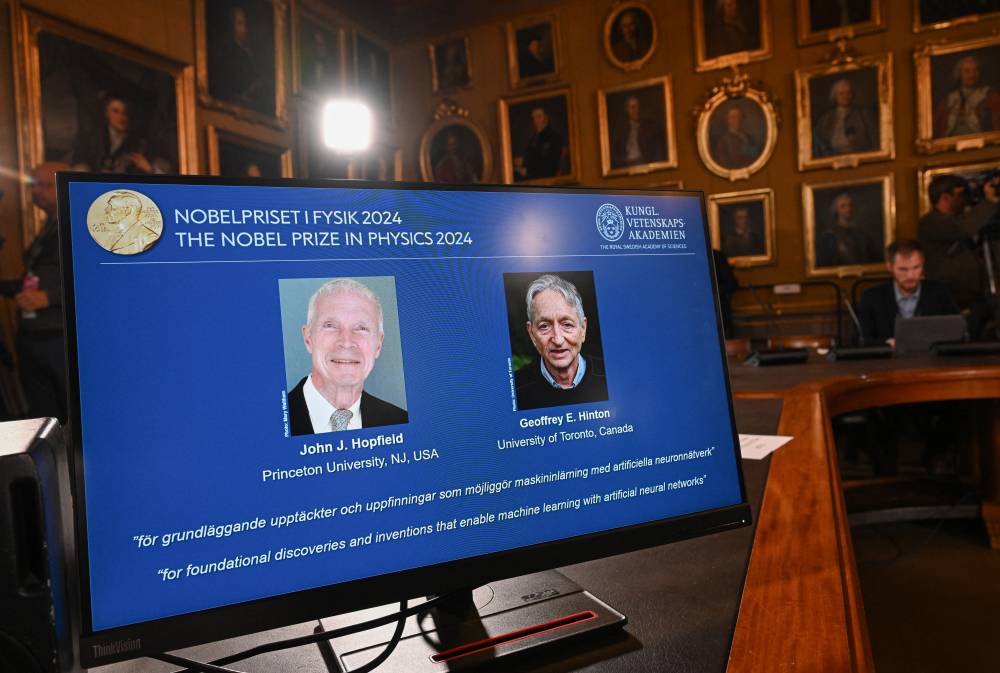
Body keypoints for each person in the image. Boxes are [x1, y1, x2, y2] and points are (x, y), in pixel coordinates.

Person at [288, 278, 407, 436]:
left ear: (378, 344)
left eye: (361, 328)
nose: (346, 342)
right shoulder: (270, 420)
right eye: (331, 325)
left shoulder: (399, 420)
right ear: (308, 338)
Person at [0, 162, 71, 422]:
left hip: (59, 338)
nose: (37, 191)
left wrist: (50, 297)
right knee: (43, 418)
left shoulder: (79, 225)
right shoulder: (47, 227)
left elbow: (97, 281)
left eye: (45, 185)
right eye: (34, 185)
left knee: (69, 417)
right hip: (33, 336)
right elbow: (35, 279)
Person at [918, 174, 999, 335]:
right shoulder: (930, 222)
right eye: (961, 194)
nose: (964, 199)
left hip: (975, 297)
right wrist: (989, 201)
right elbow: (963, 228)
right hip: (953, 300)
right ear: (946, 198)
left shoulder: (960, 219)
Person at [514, 274, 608, 410]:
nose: (558, 340)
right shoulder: (515, 389)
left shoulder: (610, 376)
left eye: (567, 324)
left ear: (583, 329)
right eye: (544, 326)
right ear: (531, 333)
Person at [858, 239, 959, 346]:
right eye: (903, 269)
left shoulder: (939, 293)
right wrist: (886, 343)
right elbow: (863, 340)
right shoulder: (872, 298)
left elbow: (957, 330)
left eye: (916, 268)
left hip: (933, 359)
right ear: (890, 267)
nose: (911, 275)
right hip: (888, 360)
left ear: (923, 264)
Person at [72, 93, 170, 174]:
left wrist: (149, 169)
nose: (122, 117)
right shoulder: (91, 138)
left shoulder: (141, 144)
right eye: (115, 111)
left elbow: (163, 174)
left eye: (126, 112)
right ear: (107, 113)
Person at [209, 4, 265, 110]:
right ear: (231, 26)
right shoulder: (228, 53)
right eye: (239, 24)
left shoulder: (250, 52)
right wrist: (243, 96)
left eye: (244, 23)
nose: (244, 29)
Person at [932, 55, 1000, 138]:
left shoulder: (990, 95)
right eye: (967, 71)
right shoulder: (949, 99)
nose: (972, 75)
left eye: (975, 70)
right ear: (959, 74)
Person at [813, 78, 879, 157]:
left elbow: (874, 139)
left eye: (848, 93)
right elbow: (819, 142)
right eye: (841, 93)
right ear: (835, 96)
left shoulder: (863, 115)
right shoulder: (826, 119)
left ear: (852, 95)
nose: (845, 96)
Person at [815, 192, 881, 267]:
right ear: (836, 210)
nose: (848, 209)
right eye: (843, 206)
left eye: (850, 205)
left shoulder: (862, 235)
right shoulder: (829, 236)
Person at [610, 94, 665, 168]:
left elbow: (658, 150)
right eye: (632, 107)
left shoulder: (649, 127)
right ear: (627, 110)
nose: (636, 110)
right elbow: (614, 152)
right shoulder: (621, 129)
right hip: (625, 164)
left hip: (642, 162)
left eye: (637, 106)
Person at [514, 107, 565, 180]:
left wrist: (528, 170)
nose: (535, 120)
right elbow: (531, 157)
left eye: (538, 116)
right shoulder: (533, 138)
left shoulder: (554, 137)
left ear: (546, 118)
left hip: (545, 176)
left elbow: (550, 163)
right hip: (532, 174)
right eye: (534, 118)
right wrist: (522, 161)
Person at [711, 104, 760, 169]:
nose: (737, 120)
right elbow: (723, 163)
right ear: (728, 120)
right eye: (733, 117)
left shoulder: (749, 138)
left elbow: (755, 157)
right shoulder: (723, 141)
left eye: (740, 116)